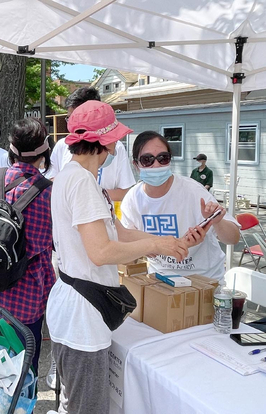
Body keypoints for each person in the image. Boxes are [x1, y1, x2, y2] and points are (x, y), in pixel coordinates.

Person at [46, 102, 191, 414]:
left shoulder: (73, 176)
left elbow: (117, 232)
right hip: (81, 316)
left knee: (75, 402)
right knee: (89, 407)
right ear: (106, 142)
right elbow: (102, 252)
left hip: (73, 306)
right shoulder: (83, 182)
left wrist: (160, 242)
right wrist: (158, 247)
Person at [0, 118, 55, 374]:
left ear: (12, 149)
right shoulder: (49, 192)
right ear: (44, 150)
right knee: (22, 373)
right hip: (26, 297)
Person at [121, 131, 240, 280]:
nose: (156, 165)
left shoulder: (193, 191)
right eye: (147, 159)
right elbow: (126, 252)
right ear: (136, 164)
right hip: (160, 281)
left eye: (163, 158)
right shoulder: (132, 199)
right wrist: (143, 247)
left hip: (205, 280)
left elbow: (233, 238)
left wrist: (217, 222)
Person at [46, 87, 135, 204]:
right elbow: (50, 181)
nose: (73, 124)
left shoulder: (115, 146)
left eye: (77, 117)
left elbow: (125, 190)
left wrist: (95, 192)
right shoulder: (62, 145)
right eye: (70, 118)